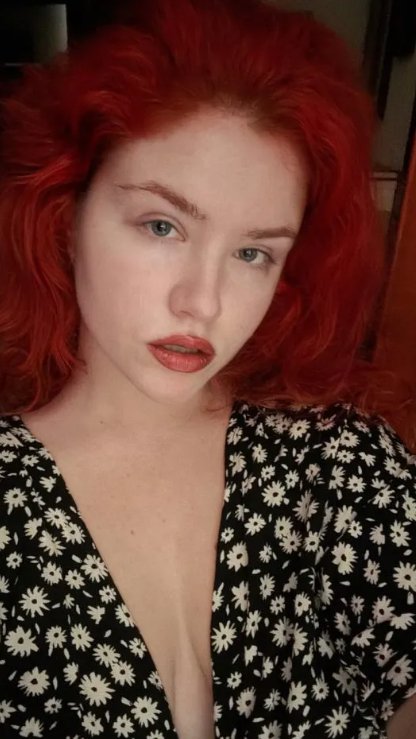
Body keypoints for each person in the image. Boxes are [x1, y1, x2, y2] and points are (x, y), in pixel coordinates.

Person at [0, 0, 415, 737]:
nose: (204, 301)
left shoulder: (339, 463)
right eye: (162, 225)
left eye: (253, 252)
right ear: (65, 213)